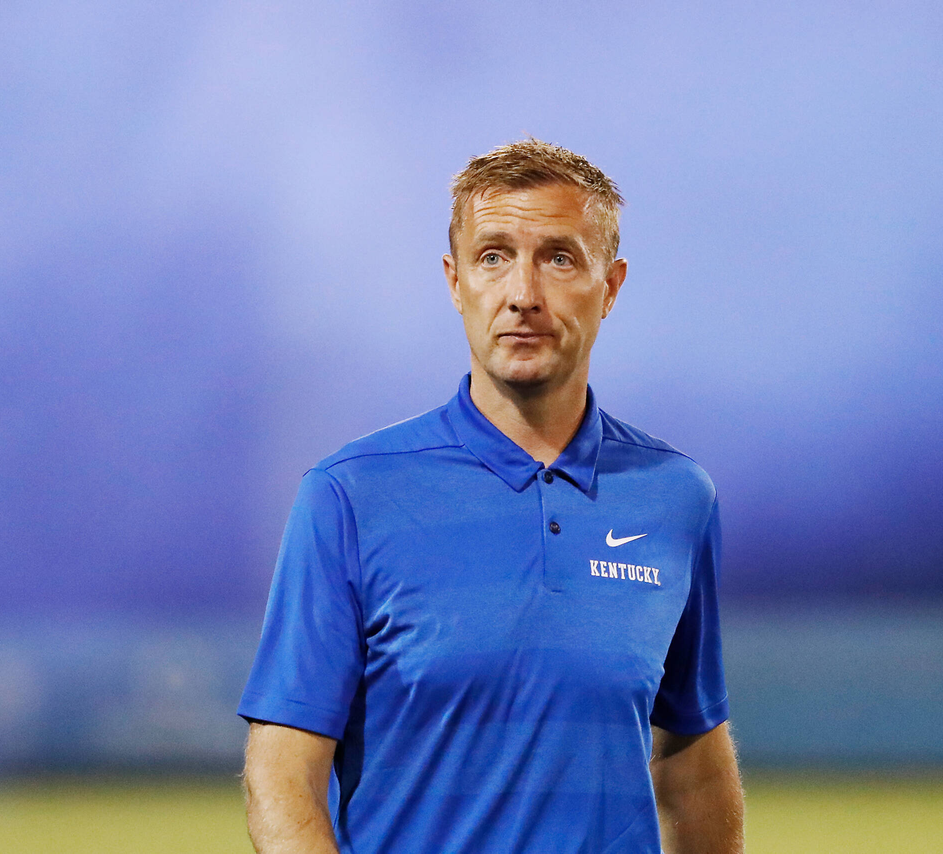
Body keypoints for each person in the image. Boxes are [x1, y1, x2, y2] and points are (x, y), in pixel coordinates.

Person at [238, 140, 745, 854]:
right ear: (455, 281)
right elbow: (283, 775)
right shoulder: (349, 496)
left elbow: (692, 763)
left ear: (611, 286)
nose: (523, 295)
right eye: (494, 257)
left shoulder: (676, 497)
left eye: (559, 258)